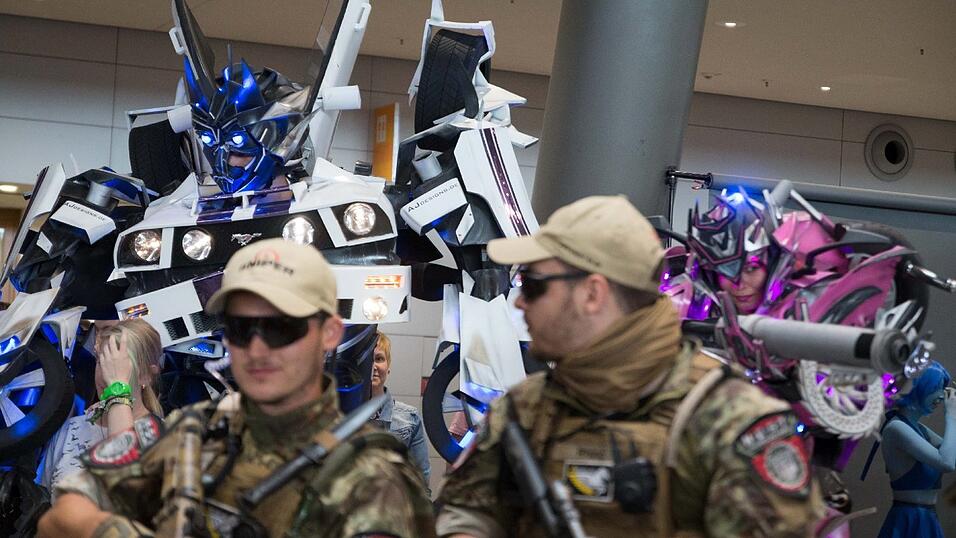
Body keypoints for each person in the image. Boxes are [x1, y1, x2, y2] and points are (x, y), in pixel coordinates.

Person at [435, 195, 824, 537]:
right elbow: (466, 508)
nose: (520, 301)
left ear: (592, 293)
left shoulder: (732, 421)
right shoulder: (524, 407)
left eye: (533, 284)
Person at [38, 239, 435, 538]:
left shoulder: (375, 475)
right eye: (242, 328)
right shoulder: (189, 432)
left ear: (329, 332)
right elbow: (63, 515)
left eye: (281, 327)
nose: (257, 348)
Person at [40, 319, 165, 497]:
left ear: (145, 376)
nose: (105, 375)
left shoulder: (165, 437)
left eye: (118, 367)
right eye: (101, 362)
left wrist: (117, 390)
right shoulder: (70, 429)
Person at [864, 362, 955, 538]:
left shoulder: (918, 429)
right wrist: (952, 416)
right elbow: (947, 463)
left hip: (927, 519)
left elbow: (952, 454)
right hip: (909, 521)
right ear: (919, 387)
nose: (941, 396)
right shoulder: (896, 428)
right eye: (936, 389)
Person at [372, 331, 432, 492]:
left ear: (388, 367)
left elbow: (421, 480)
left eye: (379, 359)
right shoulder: (341, 415)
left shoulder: (409, 418)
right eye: (368, 360)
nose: (374, 366)